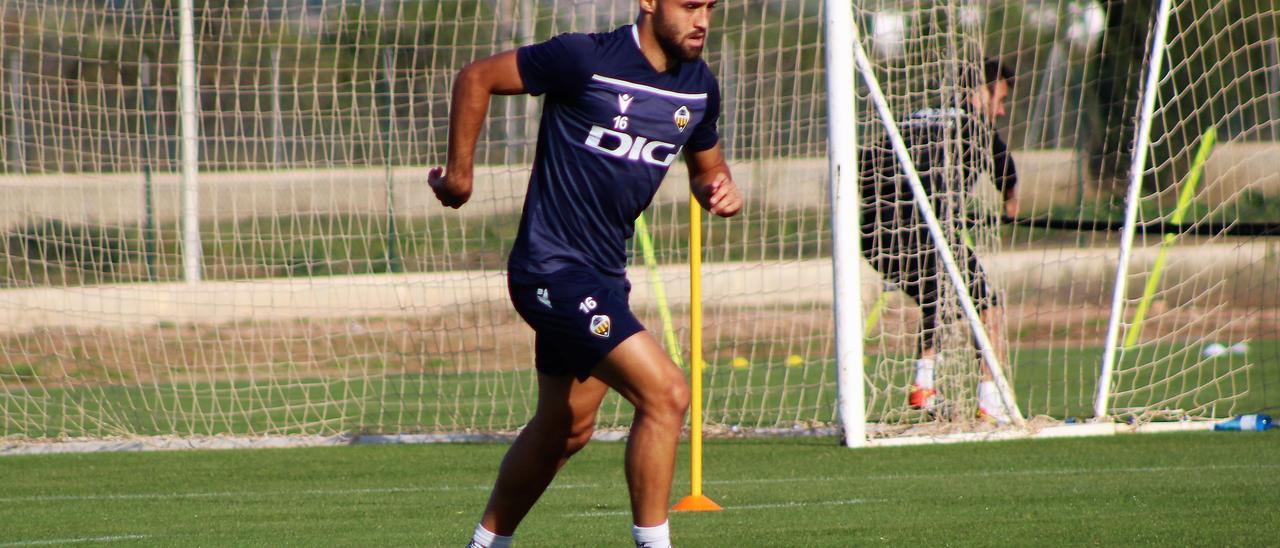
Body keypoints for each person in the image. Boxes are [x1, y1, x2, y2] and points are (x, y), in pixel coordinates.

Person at [426, 0, 741, 546]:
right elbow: (477, 77)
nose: (703, 21)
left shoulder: (699, 86)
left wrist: (720, 191)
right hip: (550, 270)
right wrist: (459, 177)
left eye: (710, 8)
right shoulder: (582, 58)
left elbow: (707, 169)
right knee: (666, 393)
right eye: (690, 6)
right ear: (649, 2)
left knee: (565, 431)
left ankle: (484, 544)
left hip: (603, 278)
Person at [860, 58, 1018, 424]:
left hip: (875, 237)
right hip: (927, 233)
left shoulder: (912, 117)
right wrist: (1010, 208)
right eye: (1000, 99)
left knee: (939, 296)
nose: (1002, 110)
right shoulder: (975, 128)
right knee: (988, 309)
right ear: (979, 93)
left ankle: (924, 383)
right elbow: (1007, 173)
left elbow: (866, 164)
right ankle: (990, 403)